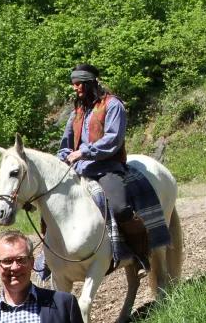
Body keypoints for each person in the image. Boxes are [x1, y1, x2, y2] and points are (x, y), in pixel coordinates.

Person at [57, 63, 148, 270]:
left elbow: (113, 139)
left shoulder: (113, 105)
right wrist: (62, 156)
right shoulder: (77, 111)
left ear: (90, 83)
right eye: (73, 83)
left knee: (119, 208)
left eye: (78, 83)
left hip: (106, 167)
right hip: (78, 170)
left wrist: (84, 152)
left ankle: (141, 256)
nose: (75, 87)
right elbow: (66, 144)